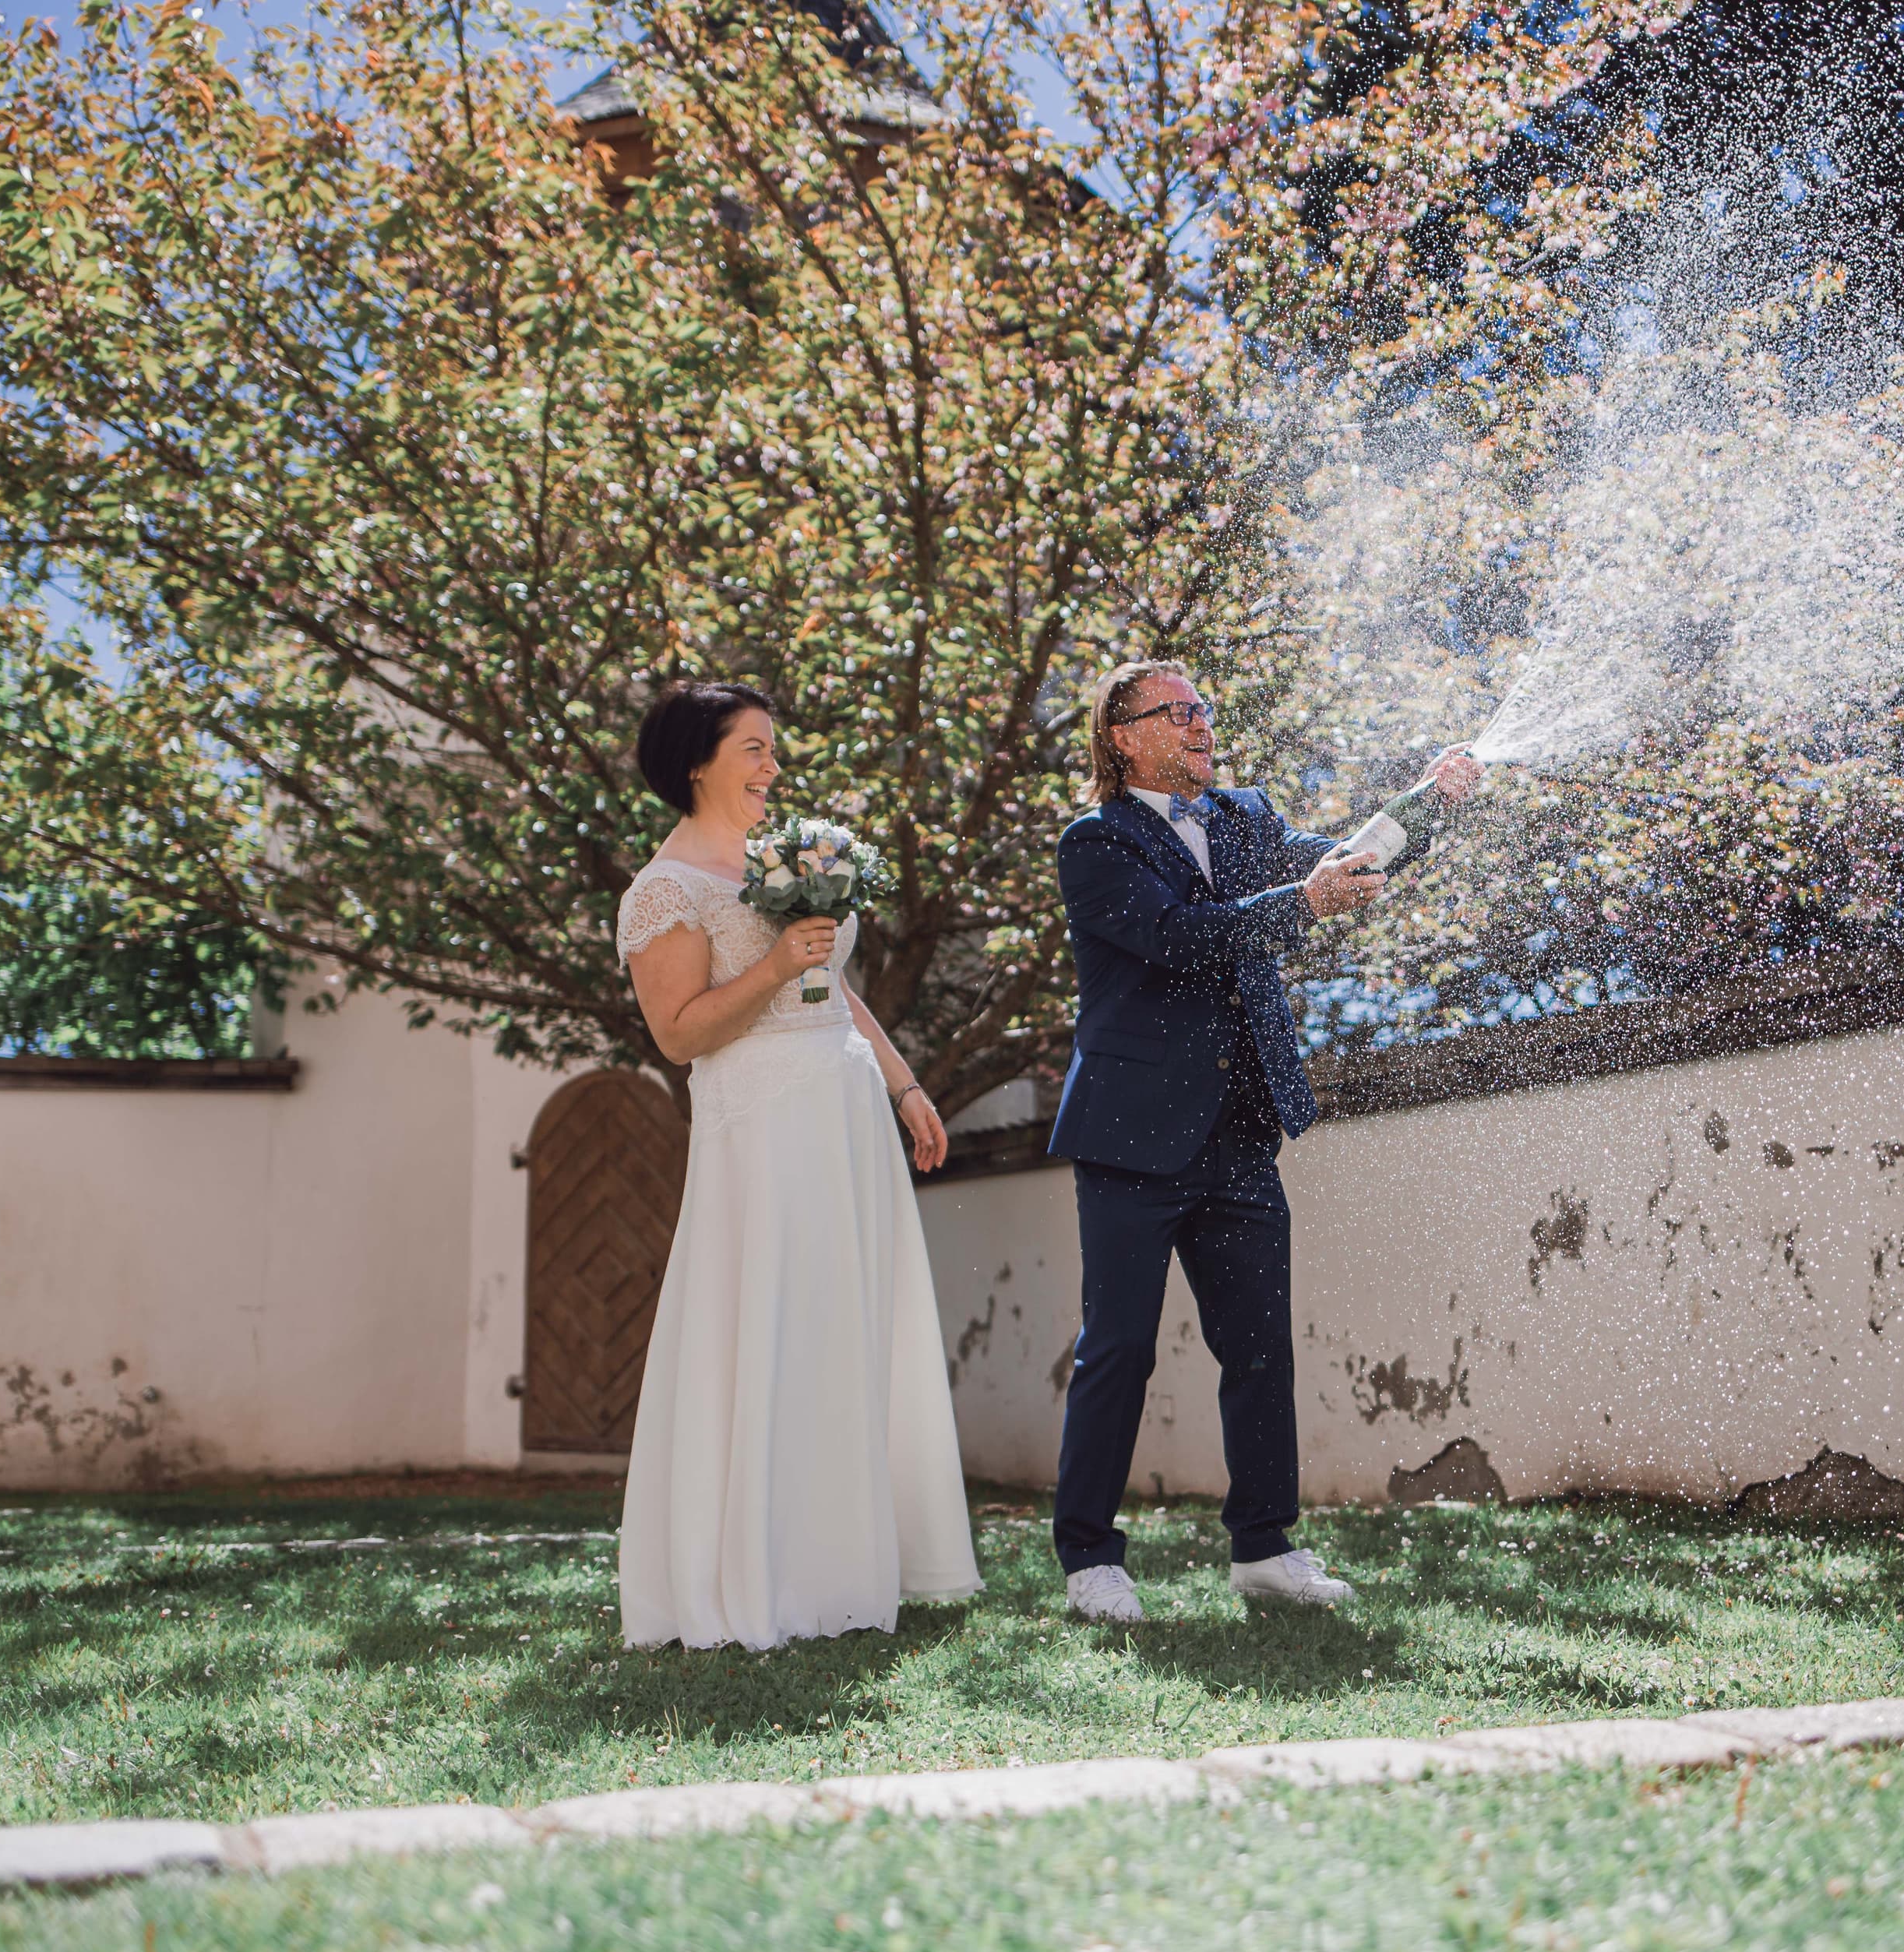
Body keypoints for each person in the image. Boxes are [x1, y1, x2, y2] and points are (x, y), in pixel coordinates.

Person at [1048, 662, 1479, 1622]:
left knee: (1258, 1349)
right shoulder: (1094, 843)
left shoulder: (1247, 816)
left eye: (1205, 707)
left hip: (1241, 1125)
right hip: (1130, 1135)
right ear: (1123, 736)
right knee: (1118, 1348)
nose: (1203, 723)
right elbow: (1181, 936)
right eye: (1179, 711)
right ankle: (1090, 1561)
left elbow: (1346, 862)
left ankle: (1265, 1549)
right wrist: (1301, 905)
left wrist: (1429, 804)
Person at [612, 681, 980, 1649]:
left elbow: (836, 987)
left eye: (774, 750)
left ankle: (850, 1567)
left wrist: (904, 1086)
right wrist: (772, 966)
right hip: (763, 1127)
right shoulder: (666, 888)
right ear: (698, 761)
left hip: (846, 1106)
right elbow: (681, 1033)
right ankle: (761, 1571)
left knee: (847, 1325)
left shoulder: (788, 855)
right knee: (775, 1325)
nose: (774, 767)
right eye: (754, 749)